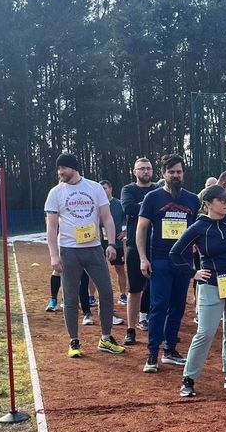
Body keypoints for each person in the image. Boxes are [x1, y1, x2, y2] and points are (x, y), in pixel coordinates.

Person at [169, 184, 226, 397]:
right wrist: (193, 273)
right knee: (205, 333)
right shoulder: (199, 227)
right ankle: (188, 379)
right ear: (208, 204)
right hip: (211, 285)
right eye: (221, 199)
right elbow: (175, 253)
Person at [44, 153, 126, 358]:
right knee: (70, 297)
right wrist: (54, 256)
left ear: (74, 168)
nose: (60, 172)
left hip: (94, 249)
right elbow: (51, 227)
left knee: (106, 293)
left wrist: (112, 243)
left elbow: (107, 218)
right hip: (69, 250)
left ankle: (106, 338)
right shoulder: (55, 192)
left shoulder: (94, 188)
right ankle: (74, 341)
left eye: (63, 168)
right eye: (58, 169)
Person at [137, 154, 200, 372]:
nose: (175, 175)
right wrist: (143, 258)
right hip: (160, 260)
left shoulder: (193, 200)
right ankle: (152, 353)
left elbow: (196, 231)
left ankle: (170, 349)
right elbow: (141, 229)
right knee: (158, 306)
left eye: (179, 172)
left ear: (183, 174)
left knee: (178, 307)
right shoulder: (153, 198)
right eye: (171, 172)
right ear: (163, 174)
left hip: (183, 262)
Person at [120, 157, 157, 344]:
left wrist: (145, 206)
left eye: (148, 168)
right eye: (141, 169)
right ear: (135, 172)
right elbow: (129, 208)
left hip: (157, 245)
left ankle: (153, 323)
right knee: (134, 290)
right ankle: (131, 329)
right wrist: (152, 206)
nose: (145, 172)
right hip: (135, 246)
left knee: (156, 288)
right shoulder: (128, 190)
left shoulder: (158, 189)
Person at [100, 180, 127, 328]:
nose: (102, 191)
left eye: (104, 188)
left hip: (116, 243)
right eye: (100, 189)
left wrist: (125, 232)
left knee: (120, 269)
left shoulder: (118, 204)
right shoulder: (96, 203)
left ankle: (123, 294)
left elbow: (130, 219)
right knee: (97, 270)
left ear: (111, 189)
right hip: (99, 242)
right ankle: (91, 297)